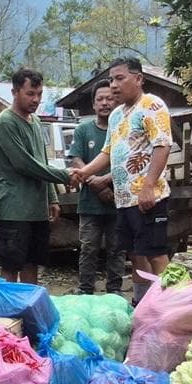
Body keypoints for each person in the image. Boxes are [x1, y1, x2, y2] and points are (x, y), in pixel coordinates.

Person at [72, 58, 173, 305]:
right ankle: (142, 305)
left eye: (120, 78)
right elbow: (107, 152)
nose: (114, 85)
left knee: (157, 253)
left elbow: (163, 145)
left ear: (138, 79)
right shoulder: (117, 114)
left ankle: (173, 306)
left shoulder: (152, 105)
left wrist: (148, 185)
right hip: (124, 200)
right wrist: (84, 172)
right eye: (111, 80)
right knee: (136, 254)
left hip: (149, 198)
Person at [0, 68, 80, 284]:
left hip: (36, 210)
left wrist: (52, 198)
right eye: (30, 93)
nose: (36, 99)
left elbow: (42, 161)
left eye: (39, 94)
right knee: (11, 266)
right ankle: (8, 315)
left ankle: (28, 312)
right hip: (13, 210)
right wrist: (65, 176)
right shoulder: (5, 123)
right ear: (14, 92)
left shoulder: (36, 122)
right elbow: (25, 164)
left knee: (33, 264)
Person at [68, 80, 125, 295]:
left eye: (109, 98)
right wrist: (98, 186)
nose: (104, 103)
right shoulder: (83, 130)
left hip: (118, 201)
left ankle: (115, 293)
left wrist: (108, 182)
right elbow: (75, 160)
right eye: (99, 99)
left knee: (117, 249)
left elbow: (126, 161)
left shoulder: (122, 128)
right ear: (93, 105)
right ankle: (85, 292)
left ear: (116, 100)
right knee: (88, 249)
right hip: (90, 204)